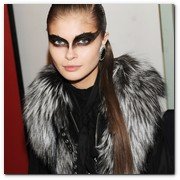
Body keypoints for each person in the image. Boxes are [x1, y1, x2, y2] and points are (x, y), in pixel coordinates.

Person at [23, 4, 173, 174]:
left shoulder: (138, 102)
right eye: (58, 42)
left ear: (103, 39)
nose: (69, 54)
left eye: (82, 40)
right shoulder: (41, 109)